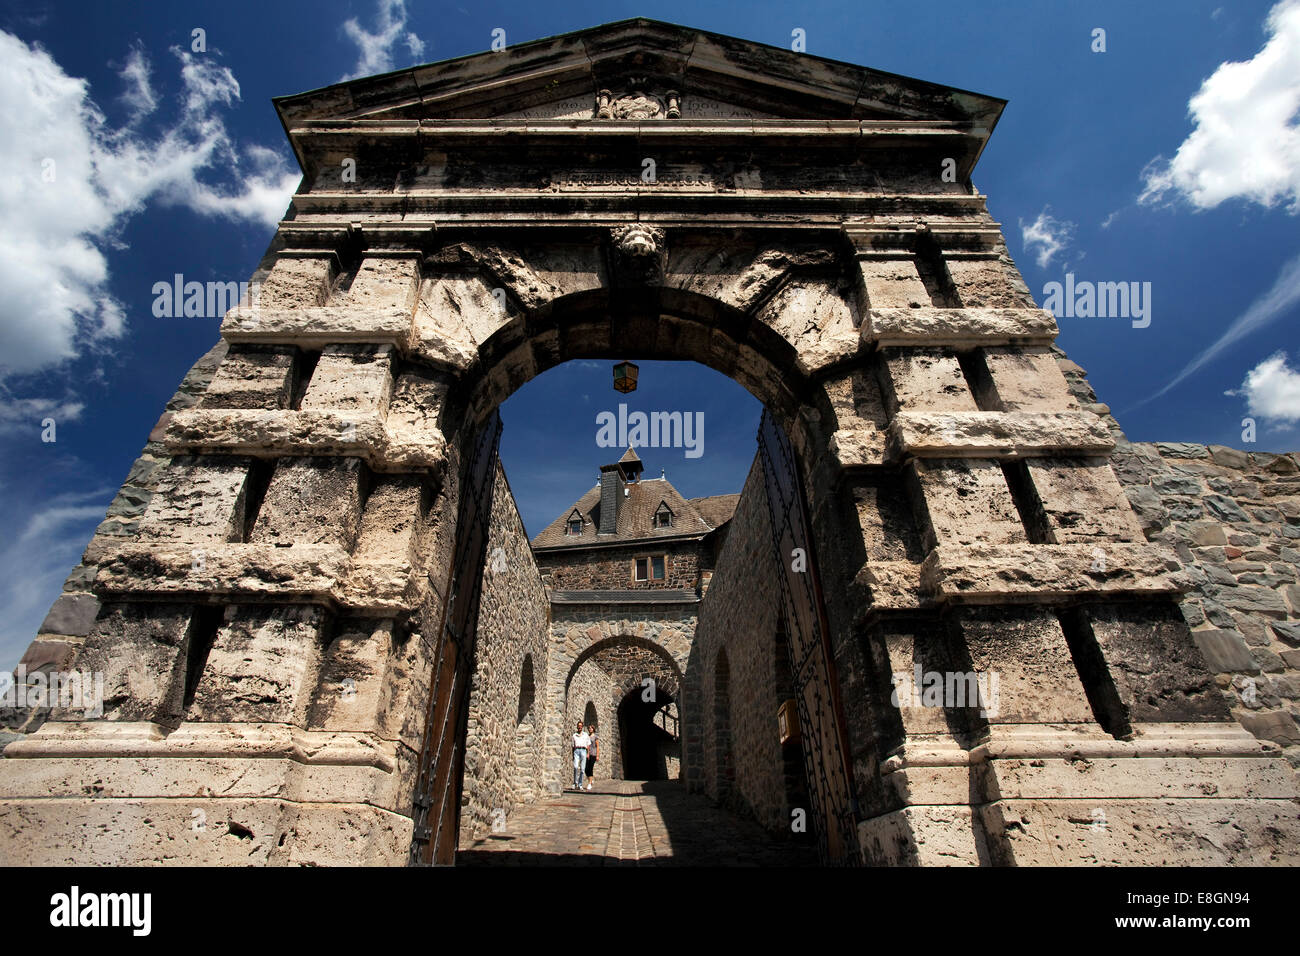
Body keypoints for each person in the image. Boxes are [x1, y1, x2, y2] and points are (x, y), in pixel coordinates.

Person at [571, 720, 590, 791]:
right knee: (575, 767)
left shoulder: (586, 735)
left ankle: (580, 784)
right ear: (577, 727)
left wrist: (588, 753)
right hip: (576, 751)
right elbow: (573, 746)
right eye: (578, 726)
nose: (579, 727)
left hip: (583, 751)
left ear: (582, 727)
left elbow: (588, 745)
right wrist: (572, 754)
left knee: (582, 769)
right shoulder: (574, 735)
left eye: (581, 726)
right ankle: (575, 783)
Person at [585, 724, 599, 791]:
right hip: (587, 754)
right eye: (589, 728)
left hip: (593, 754)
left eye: (591, 728)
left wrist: (597, 755)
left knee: (590, 768)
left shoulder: (595, 737)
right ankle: (590, 779)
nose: (590, 729)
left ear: (593, 729)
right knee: (586, 769)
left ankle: (590, 783)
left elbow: (597, 746)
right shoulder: (587, 736)